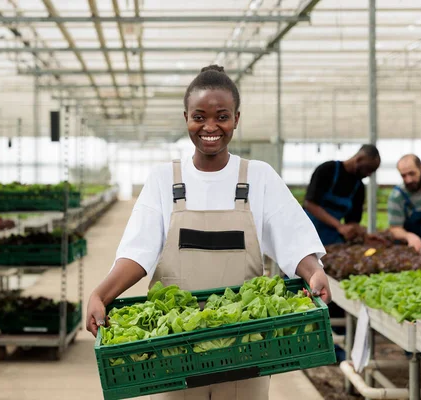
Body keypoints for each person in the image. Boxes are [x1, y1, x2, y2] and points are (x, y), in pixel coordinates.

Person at [86, 65, 331, 400]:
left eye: (222, 116)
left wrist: (314, 272)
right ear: (186, 117)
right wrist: (101, 294)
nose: (210, 127)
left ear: (237, 119)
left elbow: (292, 239)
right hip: (175, 351)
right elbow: (137, 253)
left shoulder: (259, 177)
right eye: (199, 116)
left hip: (246, 347)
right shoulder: (164, 179)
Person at [304, 145, 381, 245]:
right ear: (358, 159)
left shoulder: (359, 188)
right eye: (368, 169)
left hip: (331, 239)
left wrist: (364, 235)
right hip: (307, 233)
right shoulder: (327, 170)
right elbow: (310, 204)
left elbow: (352, 221)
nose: (369, 174)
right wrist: (339, 226)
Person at [388, 154, 421, 252]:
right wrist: (409, 236)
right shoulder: (397, 197)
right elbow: (395, 229)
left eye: (412, 173)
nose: (408, 180)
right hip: (414, 243)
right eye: (403, 175)